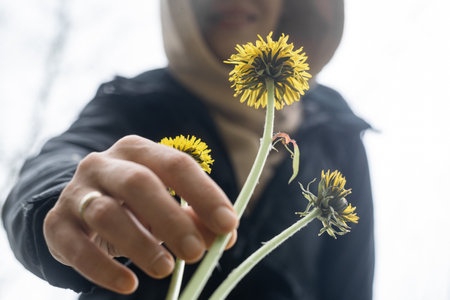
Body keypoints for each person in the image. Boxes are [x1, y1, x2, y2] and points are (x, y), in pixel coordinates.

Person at [2, 0, 375, 299]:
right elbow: (57, 164)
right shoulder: (133, 102)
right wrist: (67, 199)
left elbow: (351, 284)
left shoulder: (338, 135)